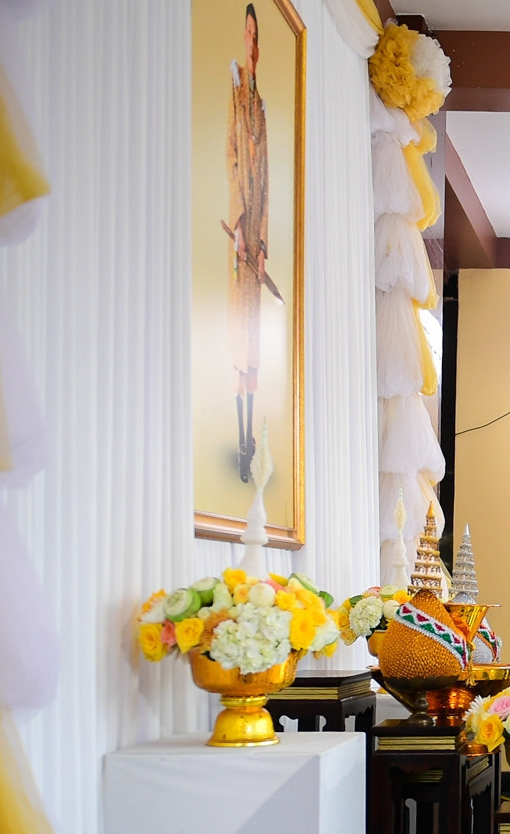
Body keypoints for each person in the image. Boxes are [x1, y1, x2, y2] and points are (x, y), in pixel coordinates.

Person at [226, 3, 271, 484]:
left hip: (255, 243)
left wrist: (263, 244)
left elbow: (268, 179)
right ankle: (240, 436)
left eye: (259, 38)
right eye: (249, 35)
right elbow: (234, 160)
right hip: (240, 237)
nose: (253, 44)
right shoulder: (237, 93)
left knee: (256, 346)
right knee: (240, 342)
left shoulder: (261, 105)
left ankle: (250, 441)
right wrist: (239, 227)